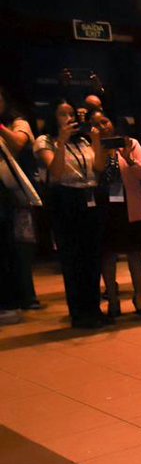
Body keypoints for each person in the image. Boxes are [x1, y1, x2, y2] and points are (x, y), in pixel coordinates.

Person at [34, 101, 107, 328]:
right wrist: (62, 141)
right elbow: (55, 173)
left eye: (71, 113)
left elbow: (100, 168)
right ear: (53, 117)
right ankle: (79, 312)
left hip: (90, 197)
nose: (68, 118)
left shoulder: (84, 140)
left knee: (93, 256)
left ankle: (93, 308)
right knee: (72, 257)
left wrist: (96, 141)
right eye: (62, 113)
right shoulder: (45, 141)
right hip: (65, 199)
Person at [91, 109, 141, 317]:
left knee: (134, 253)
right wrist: (98, 145)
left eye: (104, 121)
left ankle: (138, 296)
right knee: (107, 255)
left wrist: (129, 158)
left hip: (131, 205)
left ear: (113, 122)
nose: (101, 127)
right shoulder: (92, 146)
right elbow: (95, 170)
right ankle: (113, 299)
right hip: (104, 207)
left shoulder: (131, 143)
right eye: (96, 124)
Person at [0, 86, 39, 319]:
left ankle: (24, 297)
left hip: (15, 195)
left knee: (20, 248)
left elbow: (18, 144)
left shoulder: (18, 122)